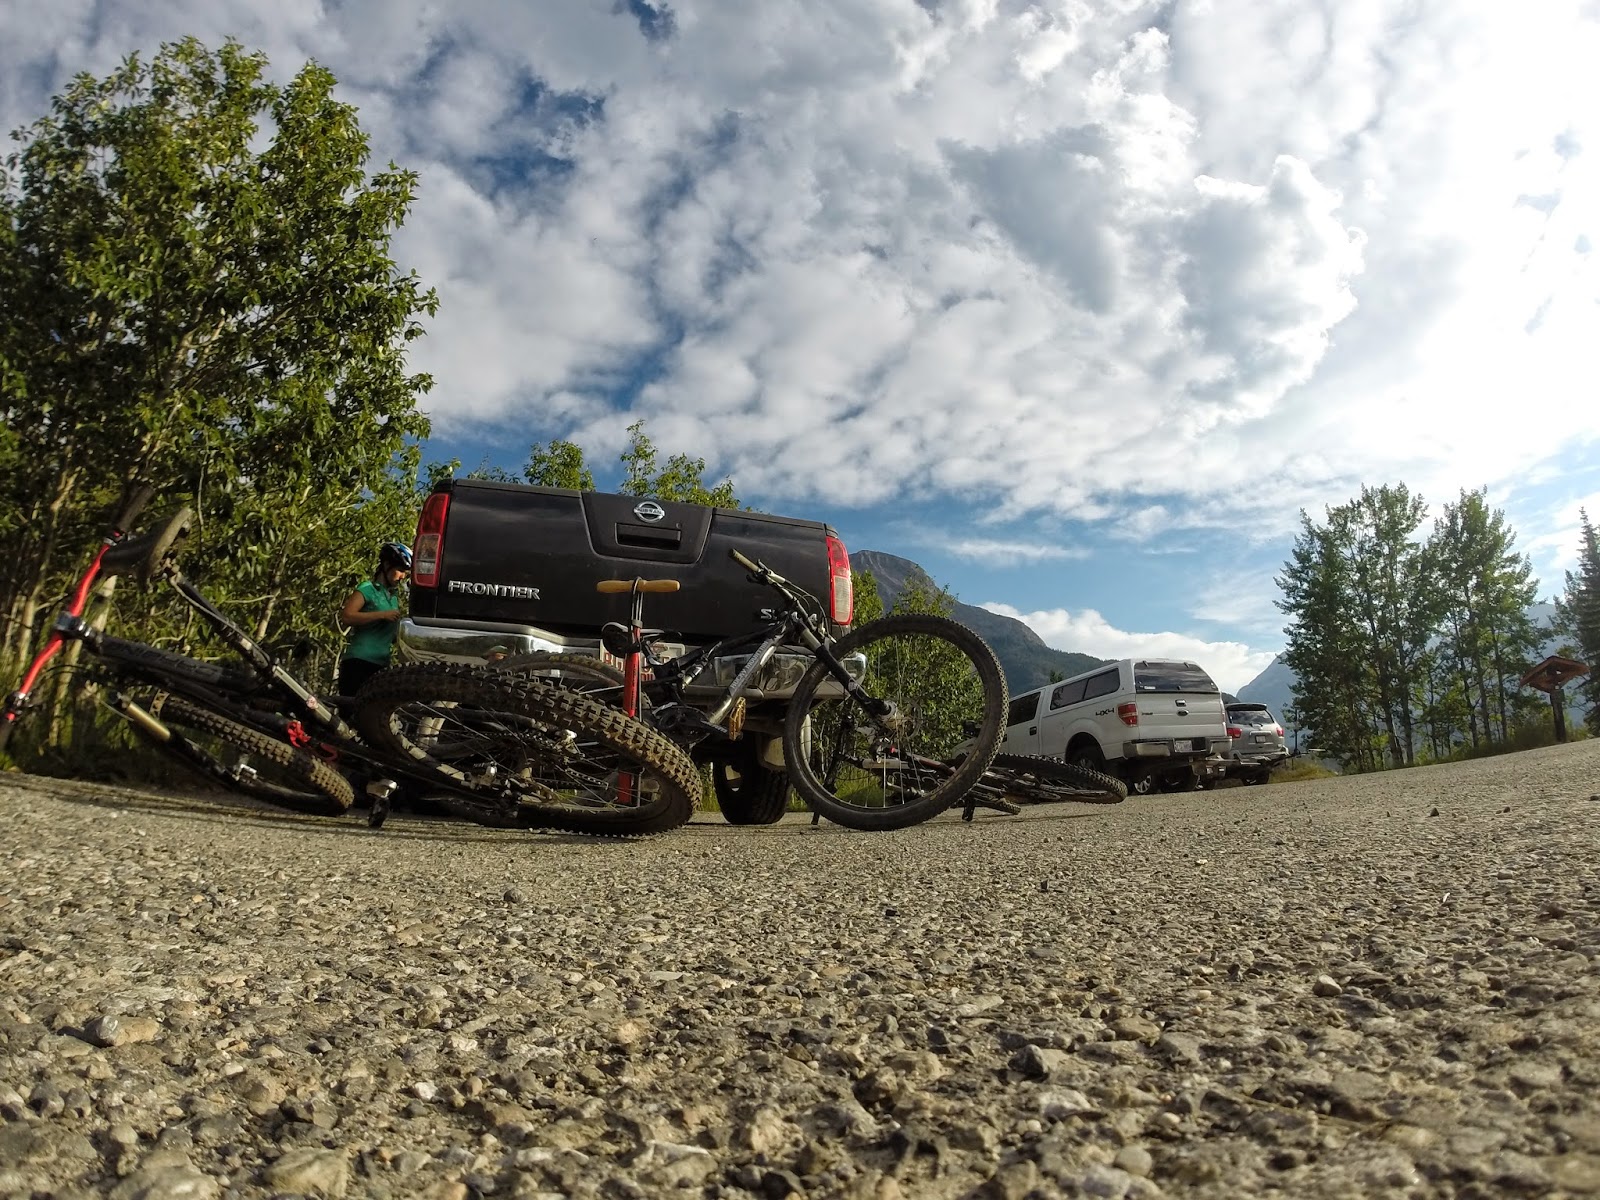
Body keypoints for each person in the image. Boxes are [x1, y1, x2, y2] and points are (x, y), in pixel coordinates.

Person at [337, 541, 410, 695]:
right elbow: (347, 616)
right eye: (400, 570)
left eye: (405, 573)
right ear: (387, 564)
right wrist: (381, 615)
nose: (402, 576)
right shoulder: (367, 588)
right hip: (359, 662)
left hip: (381, 665)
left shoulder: (393, 598)